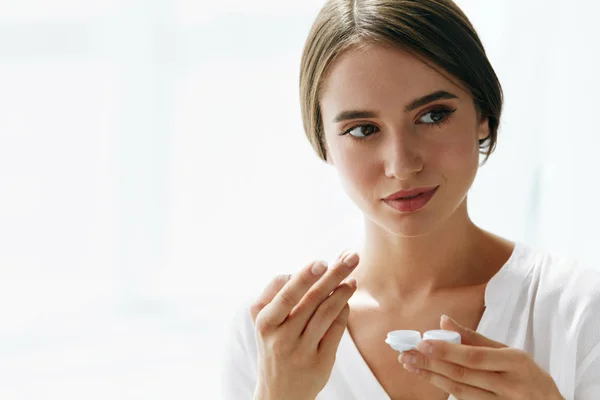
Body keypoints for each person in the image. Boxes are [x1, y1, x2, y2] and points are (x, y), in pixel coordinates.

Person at [220, 0, 600, 399]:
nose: (402, 165)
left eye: (433, 116)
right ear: (324, 142)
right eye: (363, 129)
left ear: (483, 115)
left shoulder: (578, 314)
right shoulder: (271, 336)